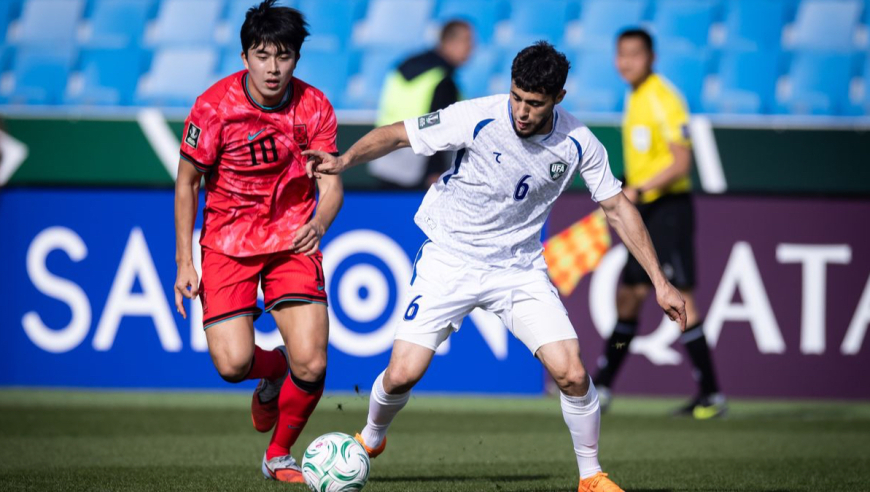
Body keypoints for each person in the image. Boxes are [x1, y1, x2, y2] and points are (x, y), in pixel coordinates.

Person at [304, 41, 686, 492]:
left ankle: (590, 476)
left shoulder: (579, 142)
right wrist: (345, 160)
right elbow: (397, 134)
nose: (522, 111)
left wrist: (660, 282)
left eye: (535, 103)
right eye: (517, 97)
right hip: (450, 257)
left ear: (558, 98)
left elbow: (618, 208)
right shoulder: (477, 115)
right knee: (403, 373)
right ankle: (371, 436)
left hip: (517, 268)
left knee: (572, 373)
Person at [173, 0, 343, 482]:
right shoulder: (213, 108)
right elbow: (186, 183)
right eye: (262, 55)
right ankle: (272, 371)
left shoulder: (315, 107)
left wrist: (319, 223)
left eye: (283, 56)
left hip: (292, 240)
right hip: (228, 242)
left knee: (312, 363)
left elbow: (331, 185)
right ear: (245, 55)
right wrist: (185, 261)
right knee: (233, 364)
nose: (273, 68)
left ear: (296, 58)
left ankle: (279, 454)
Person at [592, 28, 726, 419]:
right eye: (621, 54)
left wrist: (640, 189)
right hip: (645, 208)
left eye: (634, 54)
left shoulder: (664, 99)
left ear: (651, 57)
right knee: (630, 296)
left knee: (684, 300)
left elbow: (681, 163)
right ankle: (602, 386)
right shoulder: (634, 96)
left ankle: (711, 394)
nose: (626, 62)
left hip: (668, 209)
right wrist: (629, 187)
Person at [367, 20, 474, 189]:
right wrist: (435, 170)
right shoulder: (442, 80)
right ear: (450, 42)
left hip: (384, 149)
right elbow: (439, 127)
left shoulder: (405, 65)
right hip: (416, 161)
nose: (471, 48)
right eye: (467, 41)